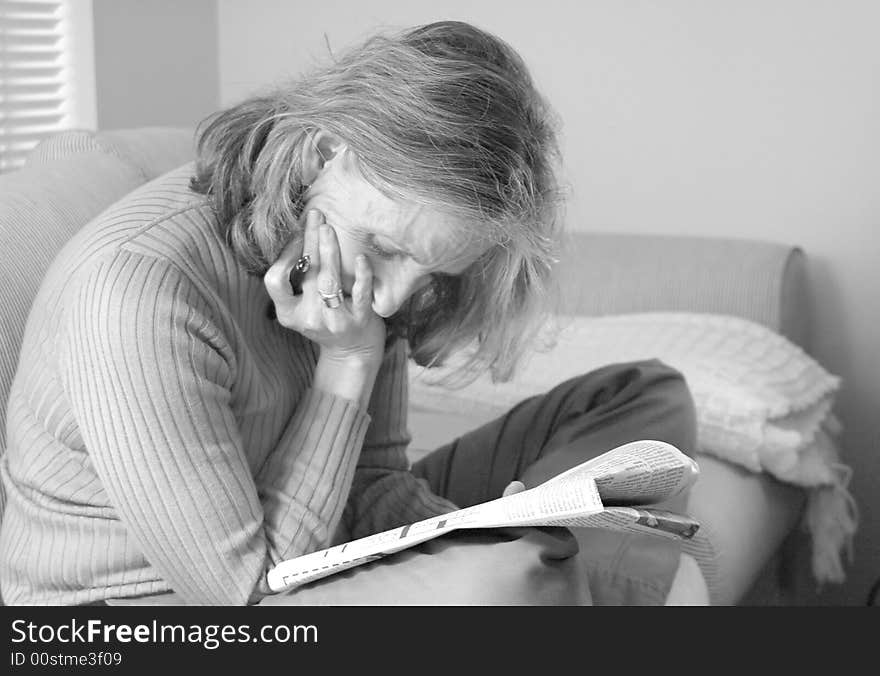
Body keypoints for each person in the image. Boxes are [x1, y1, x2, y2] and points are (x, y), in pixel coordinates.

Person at [0, 21, 697, 606]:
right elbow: (252, 596)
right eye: (388, 248)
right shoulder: (140, 292)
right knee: (503, 577)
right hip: (147, 610)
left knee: (641, 392)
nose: (391, 302)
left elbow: (370, 483)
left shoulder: (345, 248)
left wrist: (463, 525)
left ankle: (569, 588)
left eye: (434, 272)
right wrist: (349, 362)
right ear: (329, 149)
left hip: (313, 537)